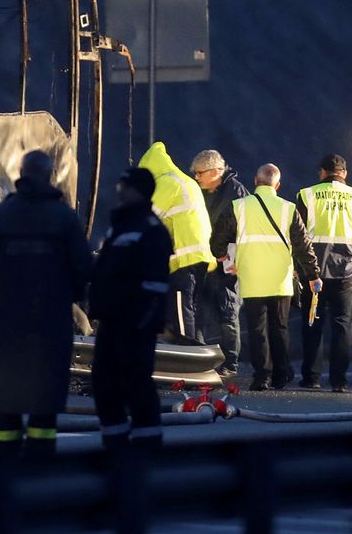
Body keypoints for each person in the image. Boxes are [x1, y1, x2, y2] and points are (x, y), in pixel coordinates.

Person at [0, 150, 92, 461]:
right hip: (51, 319)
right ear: (50, 177)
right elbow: (82, 269)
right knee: (45, 390)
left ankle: (3, 454)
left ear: (22, 175)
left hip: (9, 316)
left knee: (7, 387)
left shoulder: (3, 214)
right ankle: (40, 455)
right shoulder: (64, 218)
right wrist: (71, 297)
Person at [210, 164, 320, 391]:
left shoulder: (238, 206)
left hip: (252, 279)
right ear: (277, 185)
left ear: (255, 181)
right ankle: (281, 375)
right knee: (280, 328)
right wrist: (313, 274)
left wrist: (222, 255)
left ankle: (262, 377)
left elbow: (218, 238)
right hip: (280, 280)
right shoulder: (288, 209)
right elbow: (303, 246)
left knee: (257, 330)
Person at [90, 167, 173, 453]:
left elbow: (155, 286)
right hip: (112, 320)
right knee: (104, 384)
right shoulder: (122, 226)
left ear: (136, 190)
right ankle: (115, 446)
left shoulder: (150, 229)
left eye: (123, 186)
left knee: (136, 383)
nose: (119, 191)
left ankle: (146, 448)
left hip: (134, 324)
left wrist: (142, 323)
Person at [295, 154, 352, 392]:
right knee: (342, 325)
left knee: (313, 322)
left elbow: (297, 234)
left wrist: (300, 267)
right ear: (345, 173)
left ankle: (311, 378)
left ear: (322, 172)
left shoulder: (307, 195)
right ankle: (339, 381)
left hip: (313, 272)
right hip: (346, 271)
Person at [138, 142, 215, 345]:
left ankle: (185, 356)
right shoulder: (186, 182)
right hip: (199, 257)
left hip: (184, 259)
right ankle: (194, 351)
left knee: (181, 311)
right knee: (189, 308)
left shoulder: (168, 182)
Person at [190, 149, 250, 376]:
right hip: (204, 259)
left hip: (227, 262)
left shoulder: (237, 192)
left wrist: (236, 258)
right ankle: (200, 360)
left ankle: (230, 364)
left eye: (200, 173)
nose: (196, 177)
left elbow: (245, 229)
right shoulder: (200, 191)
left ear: (215, 172)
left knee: (228, 312)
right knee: (198, 311)